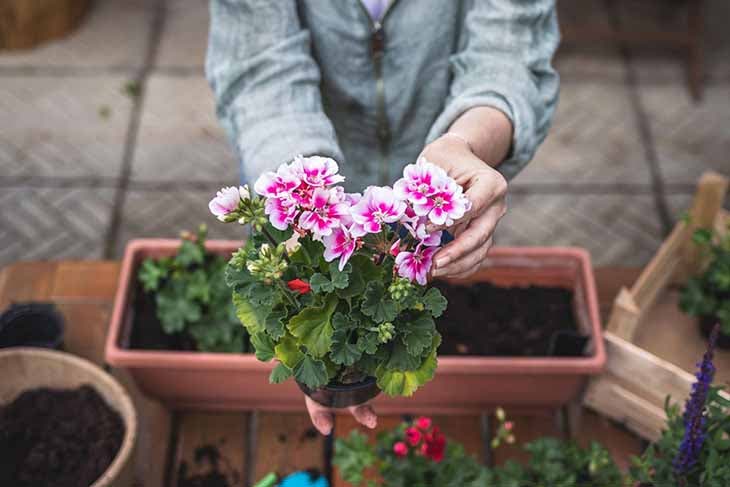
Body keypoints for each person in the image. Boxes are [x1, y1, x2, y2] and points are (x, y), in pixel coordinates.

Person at [207, 0, 560, 435]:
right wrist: (304, 204)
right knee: (315, 297)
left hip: (437, 196)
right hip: (309, 184)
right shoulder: (305, 214)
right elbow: (260, 66)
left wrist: (467, 144)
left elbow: (510, 53)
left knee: (439, 295)